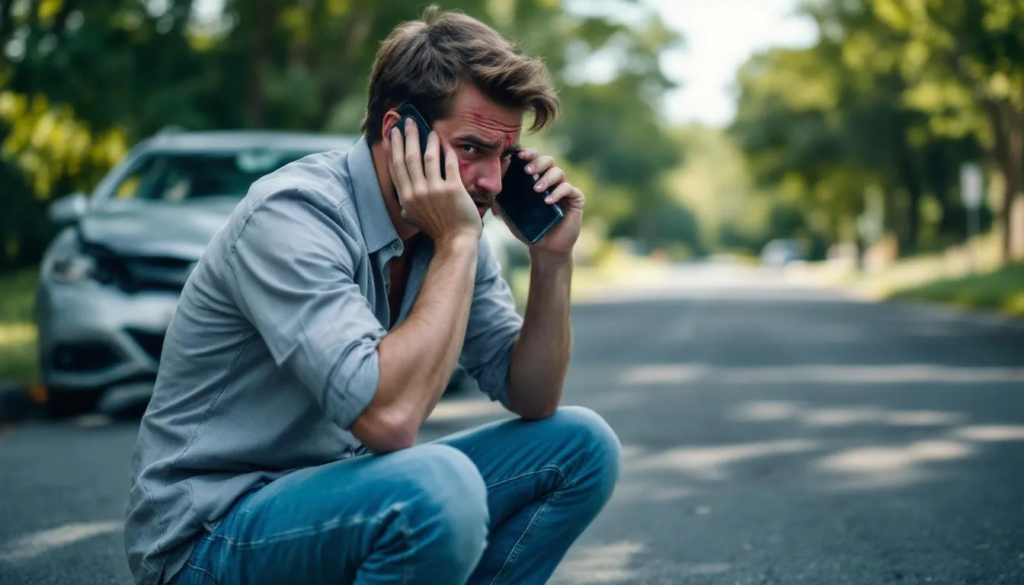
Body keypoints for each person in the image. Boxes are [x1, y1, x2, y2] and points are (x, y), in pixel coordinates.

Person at [124, 6, 621, 585]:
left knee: (582, 445)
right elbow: (389, 422)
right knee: (436, 487)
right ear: (398, 131)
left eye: (504, 156)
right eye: (472, 149)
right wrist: (459, 241)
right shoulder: (294, 214)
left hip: (339, 510)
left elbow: (532, 397)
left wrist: (552, 258)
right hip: (209, 535)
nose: (490, 181)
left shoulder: (450, 231)